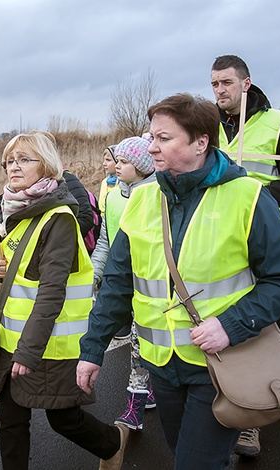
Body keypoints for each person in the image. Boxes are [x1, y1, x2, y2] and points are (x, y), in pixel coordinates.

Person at [77, 93, 280, 470]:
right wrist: (92, 350)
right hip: (161, 366)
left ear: (201, 142)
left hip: (219, 364)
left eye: (164, 138)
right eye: (151, 137)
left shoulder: (249, 197)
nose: (151, 147)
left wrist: (230, 326)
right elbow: (118, 283)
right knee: (183, 453)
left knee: (195, 464)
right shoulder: (143, 198)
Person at [0, 131, 127, 470]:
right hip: (12, 339)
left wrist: (29, 351)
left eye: (23, 159)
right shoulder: (14, 211)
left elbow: (52, 290)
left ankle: (112, 444)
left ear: (46, 165)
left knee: (64, 420)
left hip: (50, 345)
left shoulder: (59, 218)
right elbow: (17, 273)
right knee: (12, 420)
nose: (13, 167)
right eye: (9, 161)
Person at [210, 54, 280, 457]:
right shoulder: (211, 128)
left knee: (272, 318)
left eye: (226, 83)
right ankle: (238, 401)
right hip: (224, 240)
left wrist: (255, 202)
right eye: (214, 84)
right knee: (235, 315)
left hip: (276, 238)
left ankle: (271, 390)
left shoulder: (278, 124)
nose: (220, 90)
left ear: (246, 83)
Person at [90, 136, 157, 432]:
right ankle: (149, 392)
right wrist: (94, 274)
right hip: (122, 283)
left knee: (138, 343)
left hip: (149, 286)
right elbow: (105, 241)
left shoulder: (157, 195)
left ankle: (134, 408)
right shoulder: (113, 197)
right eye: (116, 160)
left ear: (142, 166)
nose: (117, 166)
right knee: (136, 342)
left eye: (125, 161)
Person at [98, 145, 118, 217]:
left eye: (108, 160)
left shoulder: (125, 184)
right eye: (104, 160)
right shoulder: (104, 182)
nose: (104, 163)